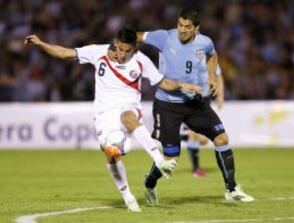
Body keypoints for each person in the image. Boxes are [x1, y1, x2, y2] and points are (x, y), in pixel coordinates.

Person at [24, 28, 202, 212]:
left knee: (128, 117)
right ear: (116, 42)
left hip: (128, 106)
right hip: (104, 114)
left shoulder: (141, 60)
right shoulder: (98, 52)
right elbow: (64, 53)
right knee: (112, 154)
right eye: (121, 49)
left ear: (135, 48)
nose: (123, 54)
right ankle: (127, 195)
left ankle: (159, 160)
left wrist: (181, 85)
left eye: (128, 51)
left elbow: (162, 82)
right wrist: (41, 44)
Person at [137, 8, 254, 205]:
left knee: (221, 138)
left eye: (187, 27)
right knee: (171, 158)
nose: (182, 30)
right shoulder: (164, 37)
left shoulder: (204, 42)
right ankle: (149, 184)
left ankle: (231, 189)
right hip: (167, 105)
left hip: (193, 102)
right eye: (180, 25)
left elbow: (212, 56)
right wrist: (121, 46)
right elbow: (137, 36)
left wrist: (211, 78)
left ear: (196, 29)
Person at [181, 64, 224, 177]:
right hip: (189, 100)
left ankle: (179, 136)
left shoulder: (210, 57)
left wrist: (220, 96)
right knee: (194, 135)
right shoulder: (186, 55)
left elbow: (218, 76)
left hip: (205, 100)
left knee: (203, 140)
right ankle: (196, 170)